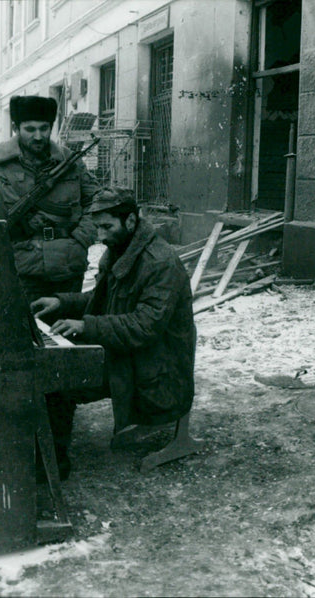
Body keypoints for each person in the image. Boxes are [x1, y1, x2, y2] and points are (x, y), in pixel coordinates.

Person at [31, 187, 197, 479]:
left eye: (107, 226)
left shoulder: (160, 263)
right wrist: (62, 302)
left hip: (158, 368)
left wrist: (87, 325)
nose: (100, 236)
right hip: (136, 354)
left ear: (131, 221)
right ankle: (45, 456)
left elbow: (145, 326)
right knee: (55, 369)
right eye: (97, 227)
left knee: (60, 378)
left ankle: (53, 469)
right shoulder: (122, 249)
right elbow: (104, 300)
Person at [0, 95, 101, 301]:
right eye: (30, 129)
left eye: (44, 128)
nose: (39, 136)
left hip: (68, 267)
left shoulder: (70, 161)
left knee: (66, 328)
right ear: (16, 128)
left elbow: (97, 200)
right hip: (23, 269)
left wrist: (81, 239)